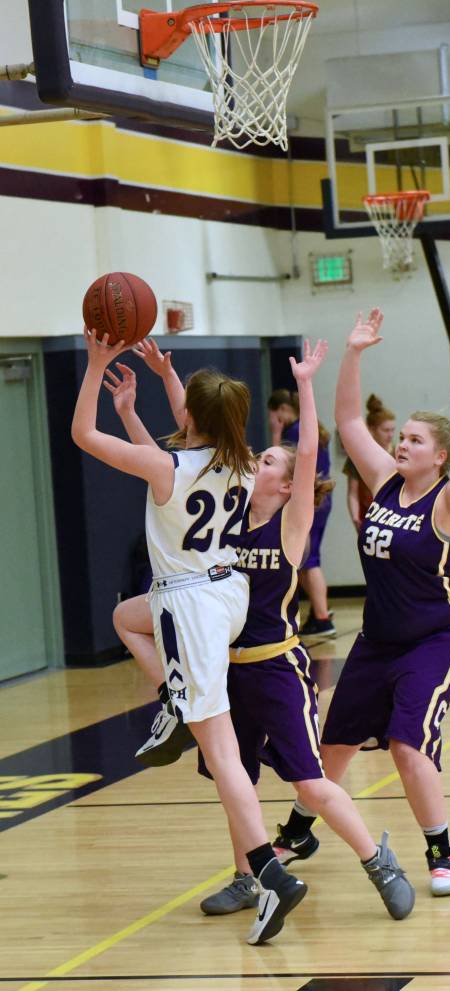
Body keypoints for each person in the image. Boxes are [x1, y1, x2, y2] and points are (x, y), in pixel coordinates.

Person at [106, 338, 416, 924]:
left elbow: (307, 451)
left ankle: (380, 862)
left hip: (276, 667)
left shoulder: (292, 525)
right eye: (260, 458)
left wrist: (305, 385)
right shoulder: (227, 512)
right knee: (236, 779)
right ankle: (247, 878)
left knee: (311, 784)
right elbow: (189, 444)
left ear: (288, 484)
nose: (258, 462)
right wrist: (165, 382)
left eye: (270, 461)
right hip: (227, 669)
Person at [277, 308, 450, 898]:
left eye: (415, 439)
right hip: (377, 638)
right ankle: (301, 830)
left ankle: (443, 854)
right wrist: (354, 352)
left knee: (406, 745)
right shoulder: (386, 481)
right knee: (334, 743)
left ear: (439, 456)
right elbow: (346, 420)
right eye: (402, 436)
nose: (403, 443)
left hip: (435, 638)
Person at [72, 328, 307, 947]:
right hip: (227, 595)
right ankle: (174, 702)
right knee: (128, 617)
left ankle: (270, 876)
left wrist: (96, 367)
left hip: (190, 605)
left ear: (190, 417)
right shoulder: (242, 461)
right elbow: (194, 426)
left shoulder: (168, 466)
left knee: (223, 754)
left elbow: (83, 435)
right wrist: (154, 389)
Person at [267, 387, 335, 637]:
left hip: (311, 501)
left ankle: (322, 617)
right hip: (321, 500)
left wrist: (276, 435)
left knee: (310, 560)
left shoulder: (293, 432)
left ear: (283, 410)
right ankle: (320, 612)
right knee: (308, 559)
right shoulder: (307, 428)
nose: (272, 421)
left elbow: (280, 467)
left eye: (273, 415)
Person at [343, 394, 396, 530]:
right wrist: (355, 517)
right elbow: (353, 492)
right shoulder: (358, 455)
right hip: (368, 513)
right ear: (371, 430)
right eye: (386, 430)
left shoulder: (399, 454)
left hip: (394, 515)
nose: (390, 435)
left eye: (393, 430)